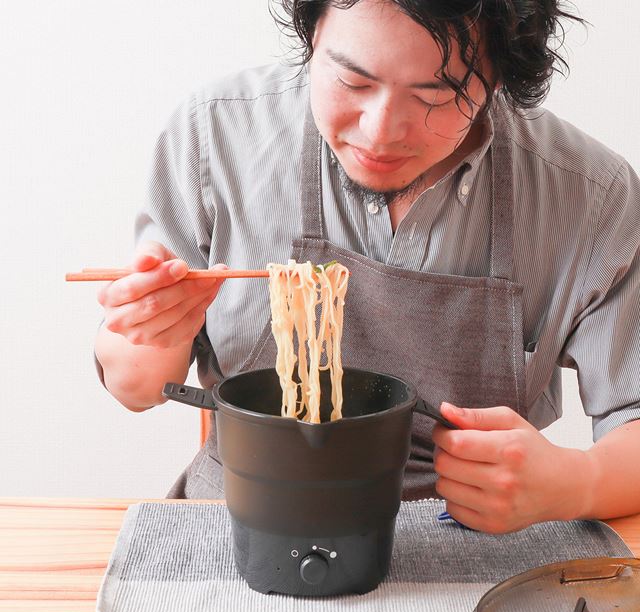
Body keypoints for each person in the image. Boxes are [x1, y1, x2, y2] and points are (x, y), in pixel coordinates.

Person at [94, 0, 640, 534]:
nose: (380, 131)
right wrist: (153, 328)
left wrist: (578, 481)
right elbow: (136, 386)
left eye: (436, 95)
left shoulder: (592, 195)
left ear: (500, 77)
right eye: (352, 82)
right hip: (241, 525)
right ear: (312, 37)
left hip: (471, 539)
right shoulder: (217, 133)